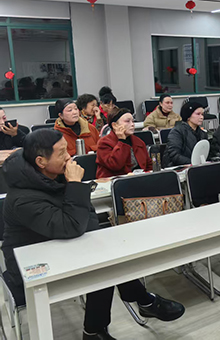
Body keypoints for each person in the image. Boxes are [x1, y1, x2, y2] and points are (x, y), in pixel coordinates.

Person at [1, 130, 185, 340]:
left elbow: (86, 219)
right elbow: (72, 225)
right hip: (33, 264)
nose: (69, 157)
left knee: (103, 259)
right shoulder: (22, 198)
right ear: (41, 161)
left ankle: (106, 324)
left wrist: (75, 191)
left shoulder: (53, 175)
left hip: (63, 245)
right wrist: (75, 185)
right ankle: (140, 303)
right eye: (62, 153)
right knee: (102, 265)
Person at [96, 108, 152, 178]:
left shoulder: (138, 142)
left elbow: (148, 165)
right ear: (115, 125)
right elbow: (115, 165)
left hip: (138, 179)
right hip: (114, 181)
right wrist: (122, 141)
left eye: (133, 121)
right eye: (127, 121)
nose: (132, 124)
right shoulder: (104, 143)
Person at [163, 102, 208, 167]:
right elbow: (174, 155)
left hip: (196, 167)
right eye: (198, 114)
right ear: (188, 117)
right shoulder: (177, 132)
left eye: (202, 114)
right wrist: (193, 163)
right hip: (178, 168)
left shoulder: (202, 133)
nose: (201, 117)